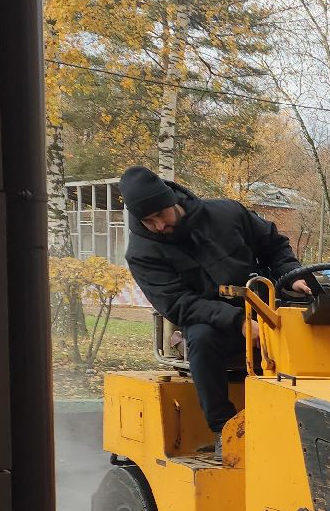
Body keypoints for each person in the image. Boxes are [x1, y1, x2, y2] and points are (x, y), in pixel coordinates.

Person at [121, 164, 307, 451]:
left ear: (171, 200)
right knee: (201, 338)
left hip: (263, 311)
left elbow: (273, 245)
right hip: (213, 325)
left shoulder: (226, 214)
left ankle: (307, 417)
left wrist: (292, 275)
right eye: (148, 221)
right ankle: (225, 430)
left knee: (309, 320)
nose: (158, 226)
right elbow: (178, 304)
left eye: (160, 214)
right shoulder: (142, 253)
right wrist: (238, 322)